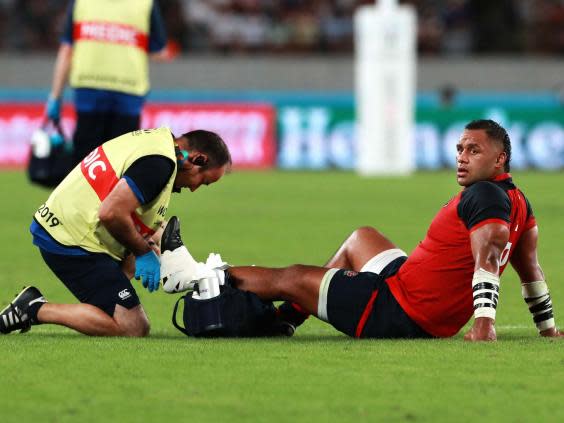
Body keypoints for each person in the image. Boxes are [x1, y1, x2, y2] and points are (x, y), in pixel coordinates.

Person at [163, 119, 563, 341]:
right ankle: (287, 321)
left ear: (500, 159)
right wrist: (548, 329)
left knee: (294, 276)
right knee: (361, 237)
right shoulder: (518, 202)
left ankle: (199, 276)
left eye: (473, 151)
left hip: (398, 310)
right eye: (459, 148)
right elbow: (530, 270)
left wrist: (484, 325)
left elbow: (489, 259)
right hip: (406, 282)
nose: (461, 158)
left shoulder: (484, 196)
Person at [0, 127, 231, 337]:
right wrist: (143, 252)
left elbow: (139, 217)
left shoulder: (158, 143)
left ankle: (109, 298)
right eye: (203, 181)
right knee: (134, 327)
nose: (193, 188)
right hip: (70, 240)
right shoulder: (159, 164)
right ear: (198, 158)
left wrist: (172, 258)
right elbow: (111, 213)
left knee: (136, 253)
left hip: (64, 225)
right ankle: (33, 308)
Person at [45, 0, 169, 165]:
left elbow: (67, 50)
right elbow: (158, 52)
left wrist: (55, 95)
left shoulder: (82, 3)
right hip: (128, 92)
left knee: (85, 165)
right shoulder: (144, 4)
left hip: (89, 90)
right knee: (121, 164)